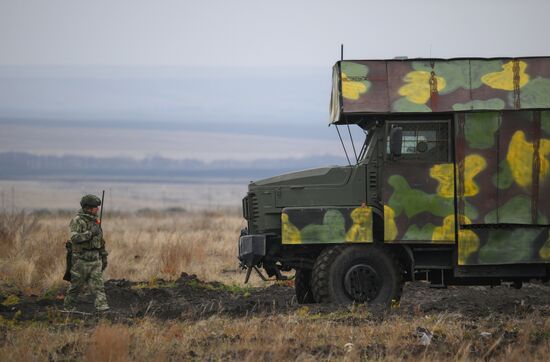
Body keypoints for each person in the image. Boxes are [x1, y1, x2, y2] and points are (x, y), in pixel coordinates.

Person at [63, 194, 109, 312]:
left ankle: (103, 310)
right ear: (88, 208)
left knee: (99, 287)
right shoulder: (77, 221)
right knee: (75, 287)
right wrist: (90, 233)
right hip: (81, 261)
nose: (97, 209)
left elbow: (100, 241)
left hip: (95, 260)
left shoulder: (96, 222)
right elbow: (74, 238)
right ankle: (68, 310)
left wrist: (103, 256)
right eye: (95, 207)